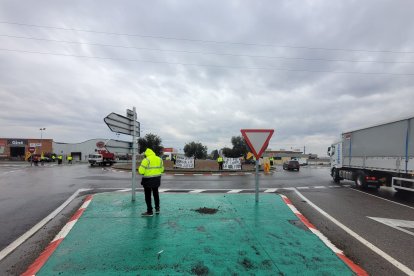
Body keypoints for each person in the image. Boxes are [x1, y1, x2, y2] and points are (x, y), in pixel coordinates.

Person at [138, 148, 164, 217]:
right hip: (157, 179)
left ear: (146, 154)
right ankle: (157, 209)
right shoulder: (159, 159)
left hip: (147, 180)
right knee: (156, 194)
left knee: (148, 195)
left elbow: (141, 171)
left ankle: (149, 211)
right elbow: (162, 170)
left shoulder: (146, 160)